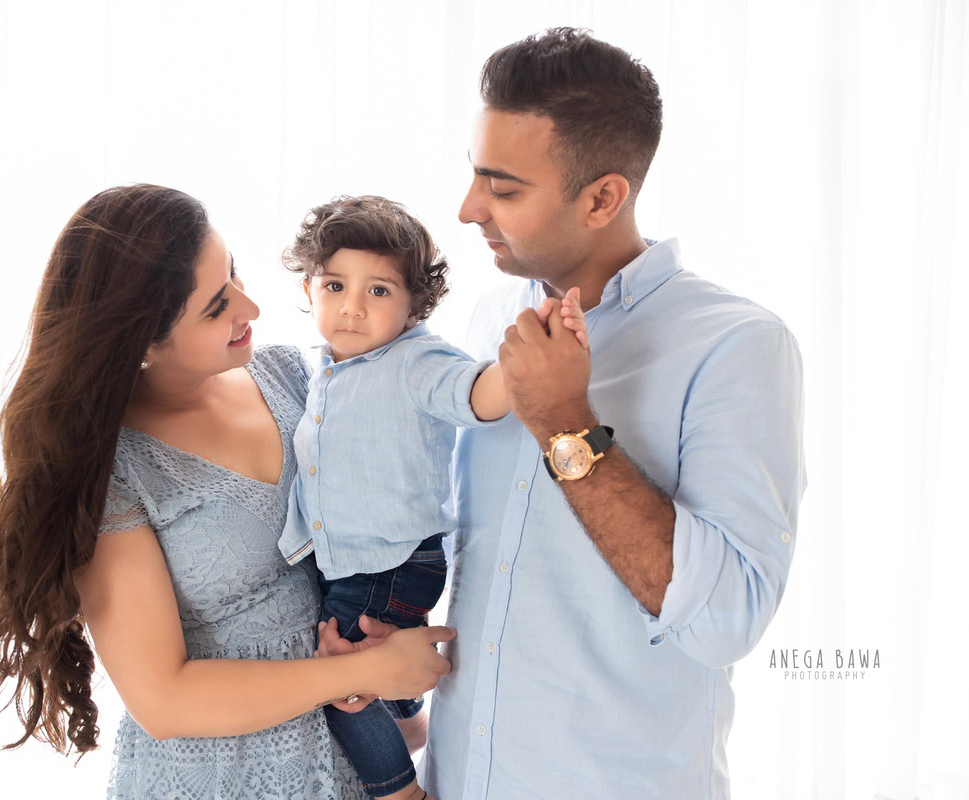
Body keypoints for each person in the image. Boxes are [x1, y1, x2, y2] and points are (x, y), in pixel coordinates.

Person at [321, 27, 807, 799]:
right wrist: (403, 630)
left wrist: (564, 423)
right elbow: (492, 559)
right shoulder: (485, 325)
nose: (468, 207)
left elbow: (726, 620)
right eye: (474, 175)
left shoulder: (737, 347)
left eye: (504, 188)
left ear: (604, 197)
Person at [0, 184, 457, 800]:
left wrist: (382, 634)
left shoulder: (295, 377)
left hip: (345, 759)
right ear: (141, 340)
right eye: (217, 306)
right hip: (220, 776)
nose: (252, 307)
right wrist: (364, 670)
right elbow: (163, 698)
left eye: (235, 274)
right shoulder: (113, 472)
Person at [277, 195, 594, 799]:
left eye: (378, 291)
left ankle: (402, 792)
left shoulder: (414, 359)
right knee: (371, 654)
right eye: (335, 284)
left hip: (392, 560)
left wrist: (534, 362)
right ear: (310, 287)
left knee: (338, 686)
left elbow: (476, 392)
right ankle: (412, 722)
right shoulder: (323, 369)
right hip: (360, 561)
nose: (351, 307)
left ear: (412, 304)